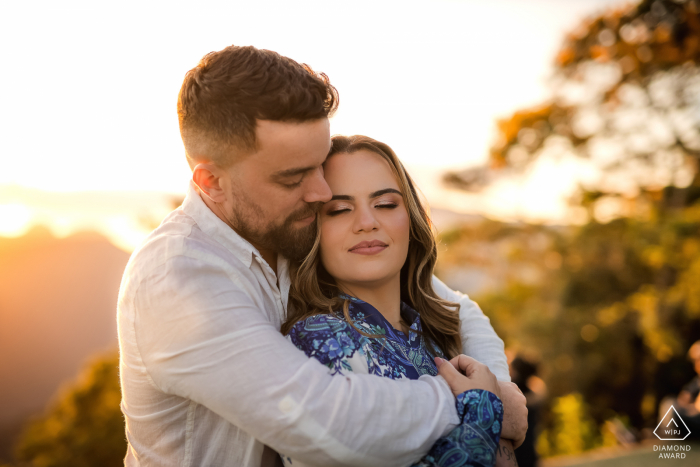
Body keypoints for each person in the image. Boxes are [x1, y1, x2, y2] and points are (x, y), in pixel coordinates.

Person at [117, 44, 527, 466]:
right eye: (294, 177)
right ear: (212, 182)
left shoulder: (289, 227)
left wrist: (492, 379)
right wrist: (480, 403)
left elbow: (450, 304)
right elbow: (324, 421)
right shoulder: (175, 278)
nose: (320, 192)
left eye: (319, 165)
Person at [280, 135, 508, 467]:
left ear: (411, 219)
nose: (367, 223)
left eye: (385, 204)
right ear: (313, 231)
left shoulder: (434, 334)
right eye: (339, 210)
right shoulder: (316, 342)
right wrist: (484, 409)